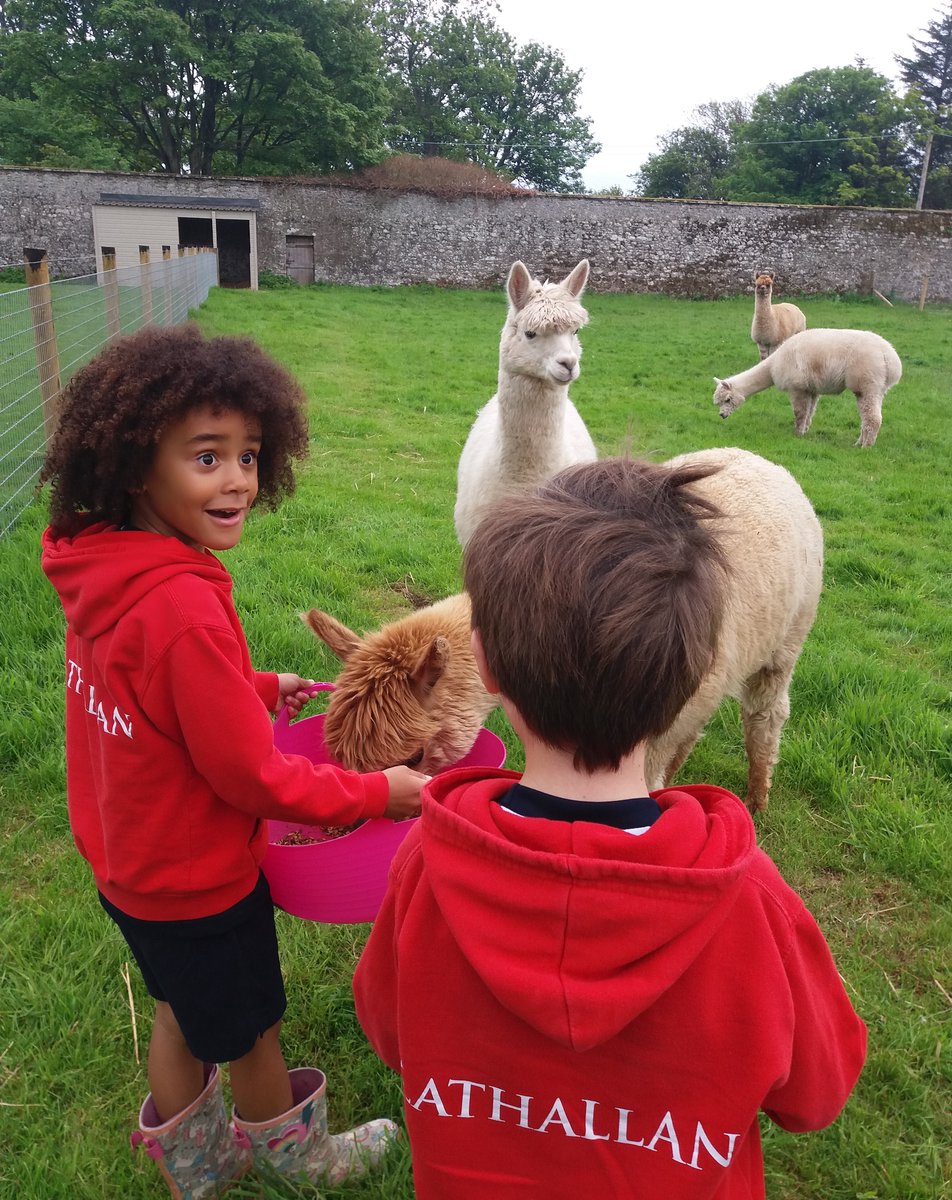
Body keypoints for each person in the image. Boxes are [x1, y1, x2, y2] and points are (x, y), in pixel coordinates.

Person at [353, 456, 867, 1200]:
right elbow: (817, 1093)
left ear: (486, 665)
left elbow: (389, 1031)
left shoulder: (426, 867)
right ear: (699, 676)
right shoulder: (752, 905)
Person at [40, 323, 427, 1199]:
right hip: (198, 879)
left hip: (127, 866)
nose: (240, 480)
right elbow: (251, 778)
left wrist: (252, 686)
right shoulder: (177, 604)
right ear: (138, 463)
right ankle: (295, 1158)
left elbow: (153, 695)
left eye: (249, 456)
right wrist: (378, 792)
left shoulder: (103, 569)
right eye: (206, 457)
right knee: (252, 1028)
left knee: (178, 1007)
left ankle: (196, 1168)